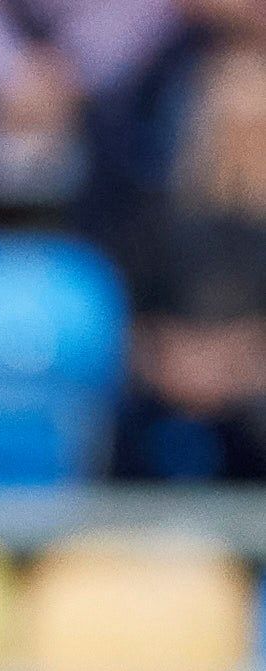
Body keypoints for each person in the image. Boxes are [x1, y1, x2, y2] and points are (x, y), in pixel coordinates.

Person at [0, 0, 198, 252]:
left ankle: (116, 272)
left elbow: (146, 13)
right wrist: (9, 74)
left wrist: (73, 72)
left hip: (108, 63)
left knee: (135, 115)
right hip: (6, 59)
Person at [122, 40, 266, 480]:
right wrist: (169, 360)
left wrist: (241, 363)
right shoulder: (158, 220)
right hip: (164, 395)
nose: (244, 145)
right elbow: (129, 324)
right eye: (232, 128)